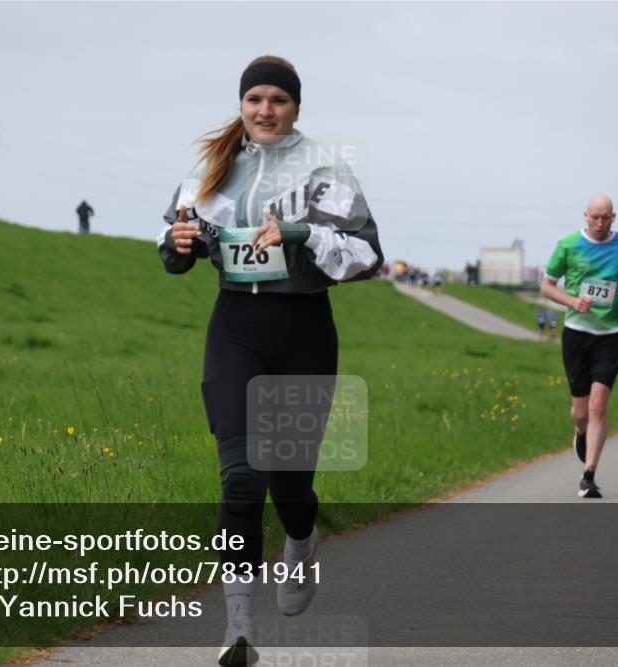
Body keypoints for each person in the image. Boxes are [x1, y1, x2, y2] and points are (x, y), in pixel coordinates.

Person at [156, 55, 383, 666]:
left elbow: (368, 255)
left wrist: (301, 233)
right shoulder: (212, 168)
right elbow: (178, 244)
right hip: (236, 331)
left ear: (295, 107)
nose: (264, 110)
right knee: (239, 479)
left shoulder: (325, 169)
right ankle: (237, 634)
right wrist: (180, 246)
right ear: (241, 104)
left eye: (277, 100)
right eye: (254, 99)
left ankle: (303, 543)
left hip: (304, 333)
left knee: (290, 488)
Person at [540, 194, 618, 498]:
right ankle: (581, 432)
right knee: (580, 410)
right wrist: (572, 301)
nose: (599, 223)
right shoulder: (568, 244)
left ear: (614, 217)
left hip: (610, 335)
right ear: (585, 216)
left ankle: (589, 475)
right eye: (594, 217)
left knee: (599, 404)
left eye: (605, 217)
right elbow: (546, 285)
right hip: (576, 333)